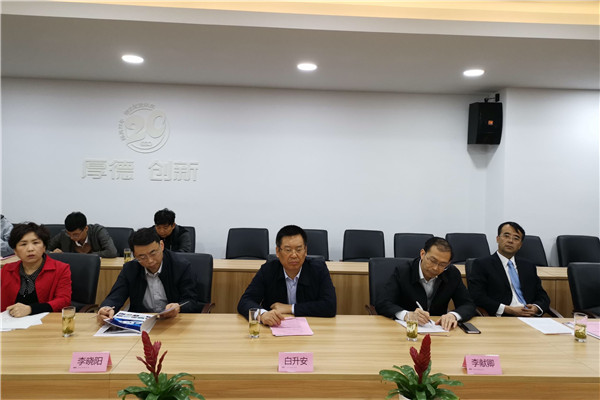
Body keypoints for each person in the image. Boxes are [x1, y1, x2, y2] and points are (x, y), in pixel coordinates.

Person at [96, 227, 203, 323]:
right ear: (134, 255)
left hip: (172, 321)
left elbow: (191, 300)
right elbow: (115, 296)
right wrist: (106, 308)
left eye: (153, 253)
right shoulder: (130, 269)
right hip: (142, 322)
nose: (150, 260)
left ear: (161, 245)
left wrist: (178, 307)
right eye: (142, 257)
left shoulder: (181, 266)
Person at [237, 225, 336, 326]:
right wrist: (262, 315)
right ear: (277, 251)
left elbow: (330, 306)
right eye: (288, 250)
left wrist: (290, 308)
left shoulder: (318, 269)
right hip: (274, 327)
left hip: (312, 327)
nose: (294, 255)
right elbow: (245, 301)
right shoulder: (268, 270)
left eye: (299, 249)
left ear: (305, 250)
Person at [376, 237, 475, 331]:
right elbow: (383, 302)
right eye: (433, 261)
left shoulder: (452, 274)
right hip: (405, 330)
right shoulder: (403, 271)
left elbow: (468, 304)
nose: (435, 268)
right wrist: (406, 315)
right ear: (422, 254)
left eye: (442, 264)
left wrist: (453, 315)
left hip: (438, 329)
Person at [468, 221, 550, 317]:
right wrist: (508, 309)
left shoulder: (528, 266)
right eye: (506, 236)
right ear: (498, 239)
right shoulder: (482, 264)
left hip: (529, 317)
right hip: (502, 317)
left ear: (520, 245)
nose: (510, 241)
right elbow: (477, 297)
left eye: (516, 238)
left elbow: (542, 296)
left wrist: (536, 308)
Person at [1, 222, 72, 317]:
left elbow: (64, 301)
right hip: (10, 322)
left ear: (44, 247)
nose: (30, 249)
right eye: (23, 244)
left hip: (47, 321)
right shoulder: (6, 270)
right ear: (15, 251)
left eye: (36, 243)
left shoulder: (61, 269)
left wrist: (30, 309)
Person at [48, 211, 117, 258]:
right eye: (69, 234)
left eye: (75, 235)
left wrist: (86, 256)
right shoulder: (64, 234)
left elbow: (112, 252)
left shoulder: (98, 231)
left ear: (86, 228)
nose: (71, 237)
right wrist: (52, 253)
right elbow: (44, 249)